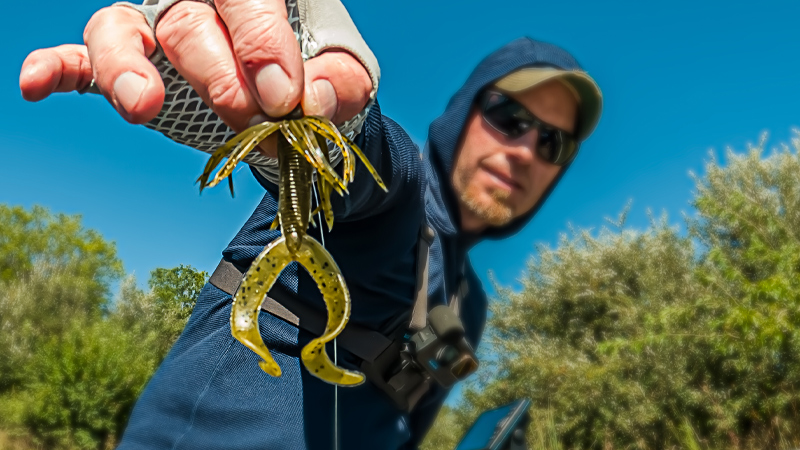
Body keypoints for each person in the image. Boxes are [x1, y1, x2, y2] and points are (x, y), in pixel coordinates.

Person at [19, 1, 602, 449]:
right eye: (509, 116)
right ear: (465, 112)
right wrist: (275, 95)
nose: (526, 150)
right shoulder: (401, 191)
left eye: (553, 141)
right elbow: (367, 165)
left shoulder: (469, 309)